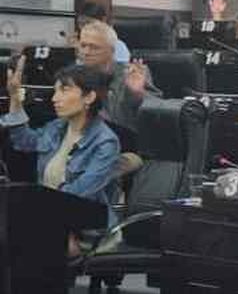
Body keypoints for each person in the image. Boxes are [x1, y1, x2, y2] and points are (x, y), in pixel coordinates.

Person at [3, 58, 121, 230]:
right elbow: (24, 142)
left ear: (89, 97)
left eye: (64, 90)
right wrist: (14, 98)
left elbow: (78, 194)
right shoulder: (57, 127)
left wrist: (32, 208)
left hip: (87, 230)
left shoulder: (105, 142)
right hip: (51, 219)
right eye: (55, 91)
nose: (54, 98)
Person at [76, 18, 158, 135]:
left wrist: (136, 93)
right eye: (83, 46)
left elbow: (156, 113)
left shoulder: (133, 73)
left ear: (112, 50)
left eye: (94, 47)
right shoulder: (75, 75)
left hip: (124, 142)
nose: (86, 52)